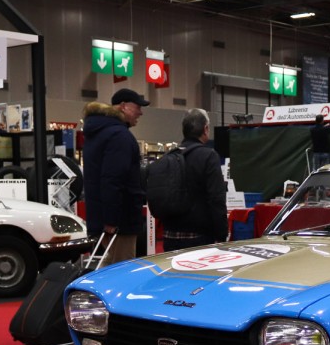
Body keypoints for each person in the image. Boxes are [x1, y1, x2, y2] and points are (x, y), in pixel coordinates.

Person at [81, 88, 149, 266]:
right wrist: (111, 220)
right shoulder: (119, 136)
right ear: (123, 106)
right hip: (120, 221)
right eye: (137, 107)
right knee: (122, 271)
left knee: (109, 265)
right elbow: (113, 179)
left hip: (105, 217)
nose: (140, 112)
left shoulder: (98, 132)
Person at [161, 109, 228, 251]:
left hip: (169, 235)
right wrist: (222, 234)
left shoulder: (169, 156)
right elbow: (216, 198)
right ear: (205, 129)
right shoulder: (208, 156)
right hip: (199, 238)